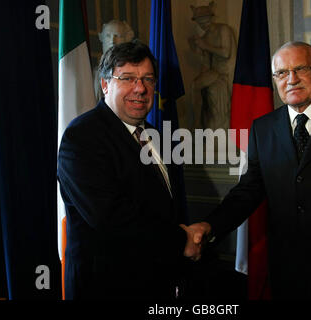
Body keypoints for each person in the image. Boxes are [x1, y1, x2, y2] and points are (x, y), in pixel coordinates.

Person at [184, 41, 311, 300]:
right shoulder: (263, 128)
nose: (291, 79)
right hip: (288, 274)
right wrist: (209, 225)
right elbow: (248, 191)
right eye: (282, 73)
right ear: (275, 80)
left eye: (300, 69)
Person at [57, 40, 201, 300]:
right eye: (128, 78)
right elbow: (111, 218)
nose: (140, 89)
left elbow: (162, 207)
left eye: (148, 79)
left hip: (158, 281)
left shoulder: (156, 136)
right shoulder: (82, 136)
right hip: (108, 287)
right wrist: (182, 241)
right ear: (105, 85)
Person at [189, 1, 236, 129]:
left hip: (225, 73)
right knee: (195, 85)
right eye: (201, 22)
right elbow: (206, 64)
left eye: (206, 20)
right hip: (214, 72)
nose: (204, 24)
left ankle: (199, 123)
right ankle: (198, 123)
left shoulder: (223, 30)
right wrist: (199, 51)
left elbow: (226, 53)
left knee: (208, 89)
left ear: (211, 18)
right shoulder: (205, 36)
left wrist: (205, 46)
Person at [94, 20, 135, 100]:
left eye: (118, 36)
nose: (112, 41)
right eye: (108, 36)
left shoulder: (135, 71)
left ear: (127, 38)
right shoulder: (93, 74)